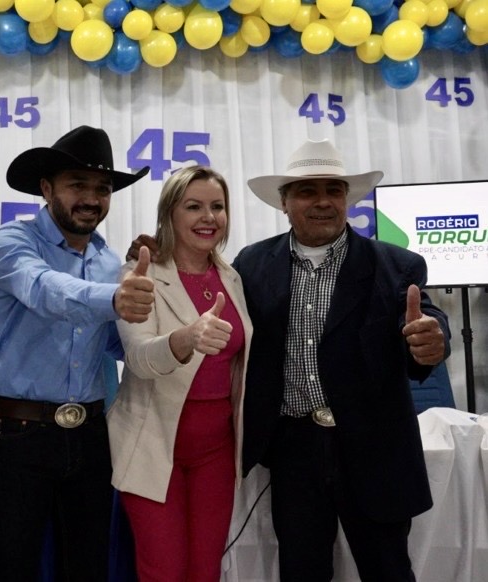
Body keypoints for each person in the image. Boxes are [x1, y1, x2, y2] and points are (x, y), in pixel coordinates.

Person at [232, 138, 450, 580]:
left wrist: (432, 338)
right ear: (284, 201)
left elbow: (424, 316)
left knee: (388, 569)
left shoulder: (397, 264)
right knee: (301, 570)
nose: (323, 202)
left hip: (376, 449)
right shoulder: (251, 265)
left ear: (347, 199)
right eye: (307, 191)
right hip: (293, 450)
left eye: (333, 190)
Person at [0, 125, 155, 581]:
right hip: (20, 436)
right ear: (46, 188)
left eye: (102, 189)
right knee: (12, 568)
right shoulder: (11, 242)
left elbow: (118, 345)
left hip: (91, 436)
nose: (91, 198)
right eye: (77, 184)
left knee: (88, 566)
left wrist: (164, 299)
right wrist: (115, 298)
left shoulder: (108, 259)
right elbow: (46, 290)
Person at [108, 165, 252, 581]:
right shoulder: (141, 273)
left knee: (205, 571)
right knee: (163, 572)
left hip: (217, 451)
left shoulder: (232, 277)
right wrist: (185, 339)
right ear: (170, 213)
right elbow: (137, 358)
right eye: (194, 207)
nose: (208, 217)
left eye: (217, 207)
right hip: (154, 446)